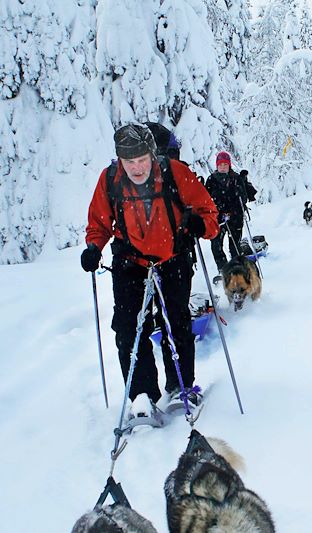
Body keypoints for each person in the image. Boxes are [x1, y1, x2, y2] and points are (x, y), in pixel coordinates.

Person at [81, 124, 219, 417]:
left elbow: (209, 214)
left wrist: (199, 225)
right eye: (130, 162)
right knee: (127, 329)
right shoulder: (110, 180)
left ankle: (182, 386)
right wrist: (94, 248)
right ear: (120, 160)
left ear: (152, 155)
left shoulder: (175, 173)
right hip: (129, 262)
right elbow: (99, 223)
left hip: (173, 258)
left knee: (176, 322)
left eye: (142, 160)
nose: (137, 168)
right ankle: (142, 395)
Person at [205, 151, 256, 271]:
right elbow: (206, 198)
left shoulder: (236, 178)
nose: (223, 167)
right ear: (217, 165)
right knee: (216, 245)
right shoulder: (211, 179)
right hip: (217, 218)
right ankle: (223, 269)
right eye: (220, 165)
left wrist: (239, 191)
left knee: (235, 246)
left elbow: (243, 198)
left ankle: (237, 268)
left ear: (229, 165)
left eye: (225, 165)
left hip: (235, 217)